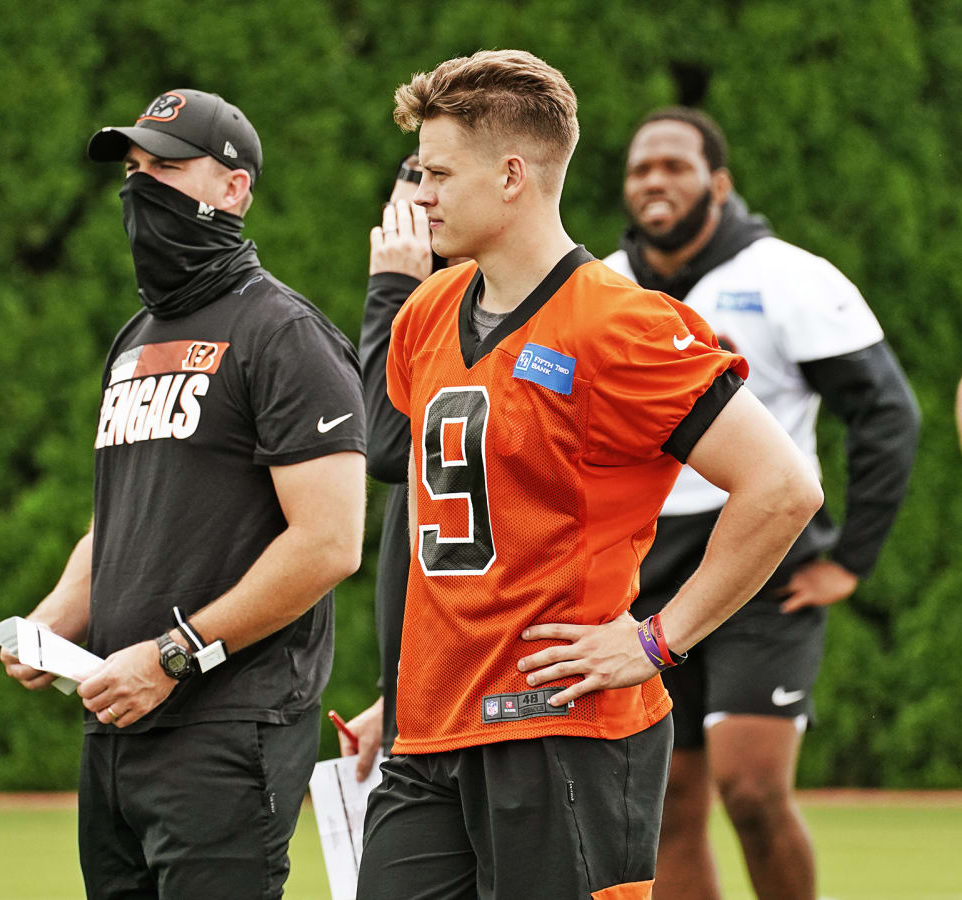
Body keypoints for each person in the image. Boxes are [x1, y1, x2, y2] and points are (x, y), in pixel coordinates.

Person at [355, 50, 824, 900]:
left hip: (557, 729)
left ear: (510, 176)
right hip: (429, 736)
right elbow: (419, 517)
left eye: (436, 173)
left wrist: (657, 638)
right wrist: (394, 690)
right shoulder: (426, 311)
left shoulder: (623, 325)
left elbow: (784, 487)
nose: (418, 195)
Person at [0, 88, 367, 900]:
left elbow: (330, 542)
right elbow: (123, 519)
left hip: (228, 724)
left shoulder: (283, 333)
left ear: (233, 189)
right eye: (133, 169)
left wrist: (172, 656)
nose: (141, 189)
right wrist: (60, 612)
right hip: (119, 722)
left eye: (166, 168)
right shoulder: (136, 339)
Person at [603, 107, 920, 900]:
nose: (654, 181)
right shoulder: (600, 285)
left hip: (759, 558)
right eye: (641, 168)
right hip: (644, 571)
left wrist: (850, 560)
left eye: (674, 166)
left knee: (750, 790)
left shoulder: (788, 277)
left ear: (718, 182)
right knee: (666, 802)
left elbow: (887, 414)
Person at [338, 159, 437, 778]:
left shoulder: (473, 322)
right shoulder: (437, 329)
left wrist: (392, 290)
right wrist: (391, 698)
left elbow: (389, 447)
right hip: (424, 695)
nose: (400, 238)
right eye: (393, 222)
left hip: (481, 708)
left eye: (417, 218)